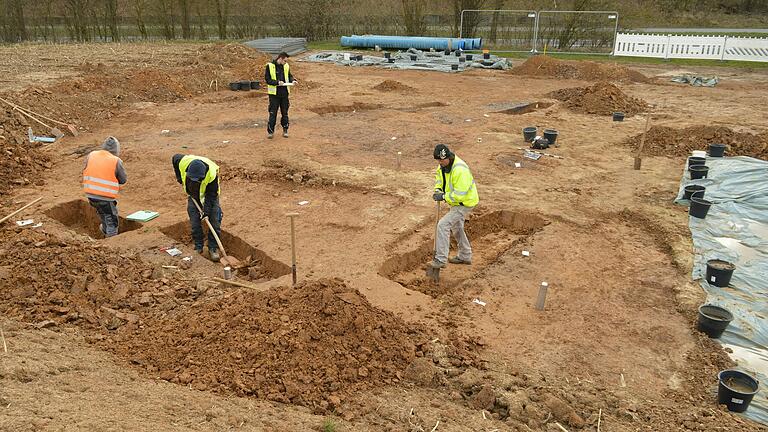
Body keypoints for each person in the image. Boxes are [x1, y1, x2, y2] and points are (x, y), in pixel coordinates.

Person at [430, 144, 479, 269]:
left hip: (464, 203)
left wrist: (444, 197)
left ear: (448, 157)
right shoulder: (442, 166)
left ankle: (440, 259)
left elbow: (459, 195)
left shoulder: (460, 170)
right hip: (457, 203)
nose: (440, 163)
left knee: (443, 225)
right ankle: (465, 255)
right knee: (457, 227)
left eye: (441, 160)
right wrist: (438, 190)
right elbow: (439, 179)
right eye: (438, 161)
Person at [171, 154, 223, 262]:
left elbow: (211, 195)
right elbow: (174, 158)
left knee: (215, 221)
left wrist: (206, 212)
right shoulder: (183, 162)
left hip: (210, 196)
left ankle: (213, 248)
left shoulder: (212, 174)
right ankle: (198, 247)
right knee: (194, 222)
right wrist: (179, 177)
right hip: (193, 196)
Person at [83, 136, 127, 237]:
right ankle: (111, 242)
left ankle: (104, 233)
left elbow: (87, 168)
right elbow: (123, 180)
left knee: (104, 216)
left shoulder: (92, 155)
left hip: (90, 195)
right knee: (112, 221)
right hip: (105, 197)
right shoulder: (116, 160)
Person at [264, 51, 297, 139]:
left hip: (284, 94)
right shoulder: (270, 66)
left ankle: (285, 130)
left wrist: (292, 80)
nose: (286, 62)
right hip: (274, 95)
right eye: (285, 60)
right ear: (280, 58)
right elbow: (267, 80)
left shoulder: (286, 66)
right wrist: (277, 82)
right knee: (272, 114)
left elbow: (289, 76)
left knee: (285, 113)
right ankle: (270, 132)